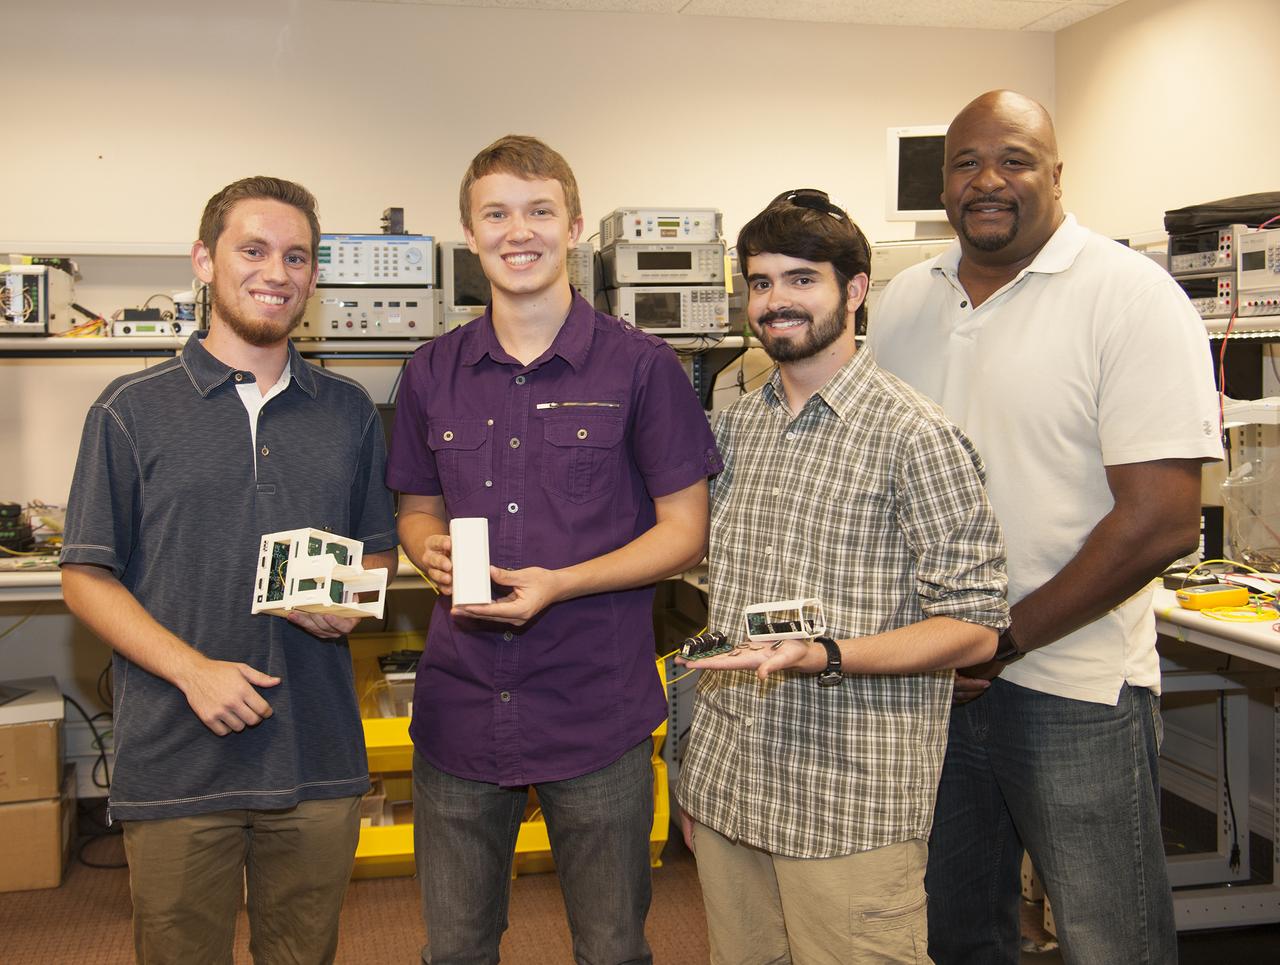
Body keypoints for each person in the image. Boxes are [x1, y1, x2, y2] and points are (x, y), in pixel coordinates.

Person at [869, 90, 1223, 964]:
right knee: (954, 934)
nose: (988, 180)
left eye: (1015, 160)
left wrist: (1001, 639)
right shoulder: (906, 300)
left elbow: (1162, 521)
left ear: (1057, 175)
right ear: (942, 186)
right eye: (966, 163)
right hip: (935, 688)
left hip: (1076, 687)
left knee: (1112, 940)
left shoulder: (1130, 295)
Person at [387, 135, 721, 965]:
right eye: (496, 213)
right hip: (460, 708)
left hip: (594, 708)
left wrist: (561, 583)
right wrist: (429, 550)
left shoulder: (645, 369)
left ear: (573, 226)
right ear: (471, 234)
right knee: (456, 948)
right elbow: (416, 511)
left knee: (611, 947)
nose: (518, 231)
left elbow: (686, 530)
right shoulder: (431, 372)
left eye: (539, 211)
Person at [60, 176, 398, 965]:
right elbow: (85, 575)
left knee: (303, 953)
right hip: (179, 759)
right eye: (252, 250)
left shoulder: (348, 410)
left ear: (313, 278)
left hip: (315, 757)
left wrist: (354, 600)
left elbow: (377, 548)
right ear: (204, 262)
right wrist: (194, 671)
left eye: (296, 256)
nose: (275, 272)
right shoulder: (129, 407)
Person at [676, 188, 1010, 964]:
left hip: (847, 804)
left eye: (801, 279)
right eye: (761, 283)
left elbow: (976, 623)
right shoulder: (732, 431)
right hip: (733, 786)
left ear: (854, 290)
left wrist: (827, 652)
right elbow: (717, 605)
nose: (776, 301)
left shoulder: (914, 436)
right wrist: (690, 771)